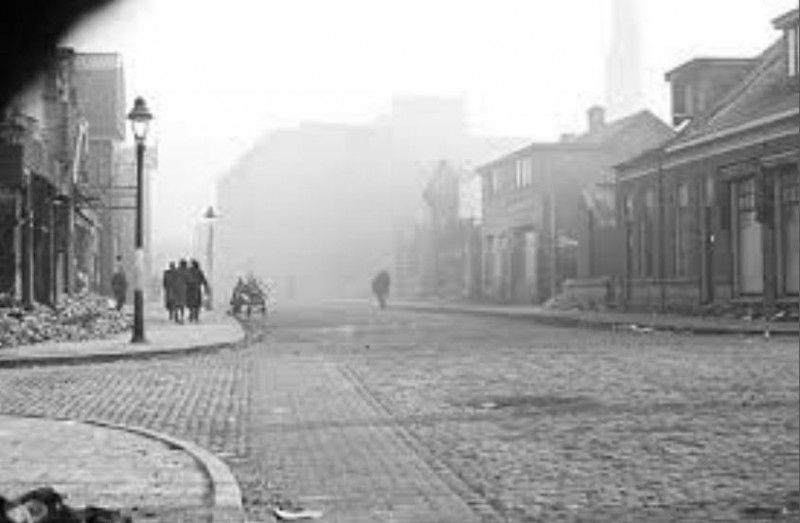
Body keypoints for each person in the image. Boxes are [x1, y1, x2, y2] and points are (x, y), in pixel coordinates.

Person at [172, 259, 189, 323]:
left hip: (176, 288)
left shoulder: (177, 270)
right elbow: (188, 279)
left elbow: (172, 278)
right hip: (183, 289)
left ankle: (176, 316)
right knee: (182, 304)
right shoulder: (186, 271)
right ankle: (181, 317)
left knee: (176, 303)